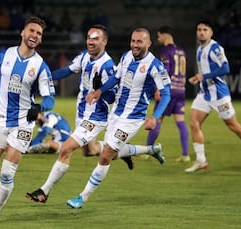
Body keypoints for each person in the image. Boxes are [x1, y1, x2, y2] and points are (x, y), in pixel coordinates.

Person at [25, 25, 165, 205]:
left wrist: (101, 90)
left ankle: (44, 191)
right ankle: (138, 151)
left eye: (95, 38)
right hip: (82, 113)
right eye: (89, 37)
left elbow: (112, 96)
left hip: (96, 117)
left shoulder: (107, 66)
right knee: (90, 151)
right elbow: (68, 70)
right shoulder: (85, 56)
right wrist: (45, 78)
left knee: (66, 148)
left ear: (104, 42)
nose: (90, 41)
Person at [66, 27, 171, 208]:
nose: (135, 45)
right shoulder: (126, 56)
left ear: (148, 43)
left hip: (133, 118)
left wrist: (155, 116)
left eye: (139, 41)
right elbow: (115, 78)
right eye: (133, 41)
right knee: (111, 153)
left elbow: (166, 94)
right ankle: (152, 150)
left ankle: (82, 197)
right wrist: (99, 91)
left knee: (106, 155)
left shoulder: (155, 66)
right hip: (116, 113)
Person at [0, 16, 55, 225]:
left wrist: (39, 107)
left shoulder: (40, 66)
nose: (35, 35)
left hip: (22, 124)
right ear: (22, 32)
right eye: (32, 31)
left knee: (7, 174)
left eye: (39, 34)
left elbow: (50, 99)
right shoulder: (4, 55)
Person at [185, 20, 241, 173]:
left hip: (219, 95)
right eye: (199, 29)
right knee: (194, 123)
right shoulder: (200, 49)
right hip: (205, 94)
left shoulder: (215, 48)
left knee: (233, 125)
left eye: (205, 29)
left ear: (211, 32)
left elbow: (225, 68)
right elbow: (205, 73)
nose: (201, 32)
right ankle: (201, 160)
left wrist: (204, 76)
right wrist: (198, 78)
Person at [146, 26, 190, 162]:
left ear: (165, 35)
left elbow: (165, 70)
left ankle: (147, 150)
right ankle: (185, 155)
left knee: (157, 119)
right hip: (181, 89)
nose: (158, 39)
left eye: (159, 36)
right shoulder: (181, 51)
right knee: (180, 121)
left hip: (169, 90)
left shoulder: (166, 50)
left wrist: (159, 88)